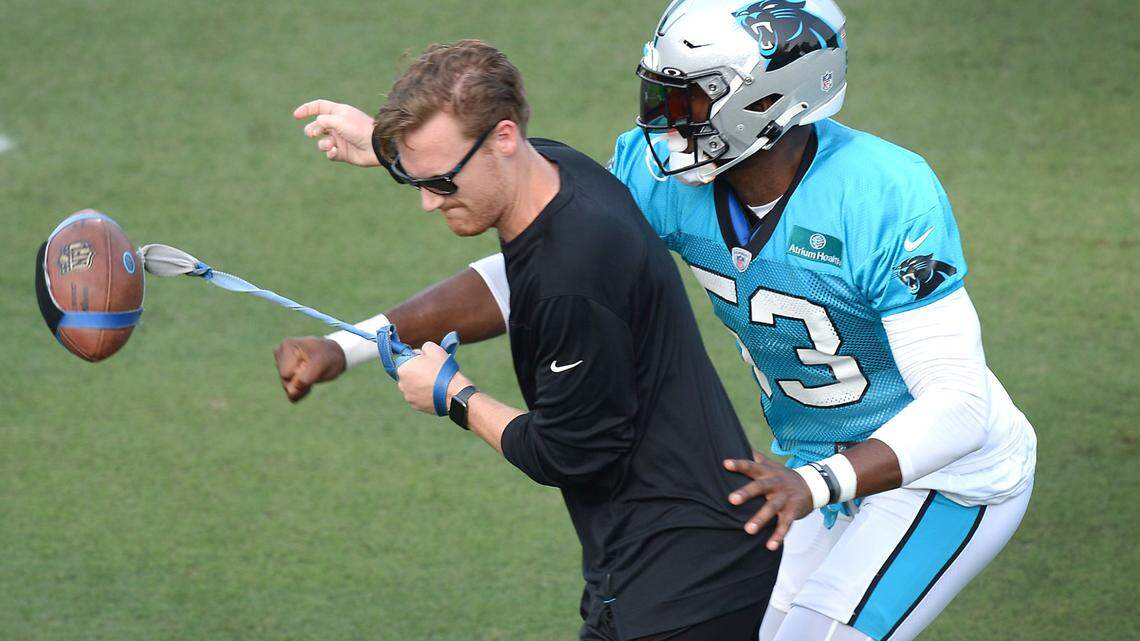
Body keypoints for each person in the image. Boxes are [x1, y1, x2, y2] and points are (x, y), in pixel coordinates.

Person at [279, 2, 1037, 640]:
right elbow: (548, 261)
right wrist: (351, 344)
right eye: (659, 97)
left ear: (773, 98)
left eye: (690, 102)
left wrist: (821, 481)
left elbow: (960, 406)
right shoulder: (662, 175)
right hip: (799, 466)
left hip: (942, 473)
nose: (662, 124)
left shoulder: (883, 193)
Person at [316, 39, 780, 641]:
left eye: (441, 182)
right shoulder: (565, 170)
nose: (429, 202)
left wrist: (452, 393)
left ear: (504, 138)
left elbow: (566, 453)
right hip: (698, 557)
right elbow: (465, 167)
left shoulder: (572, 282)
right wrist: (389, 151)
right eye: (416, 180)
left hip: (675, 587)